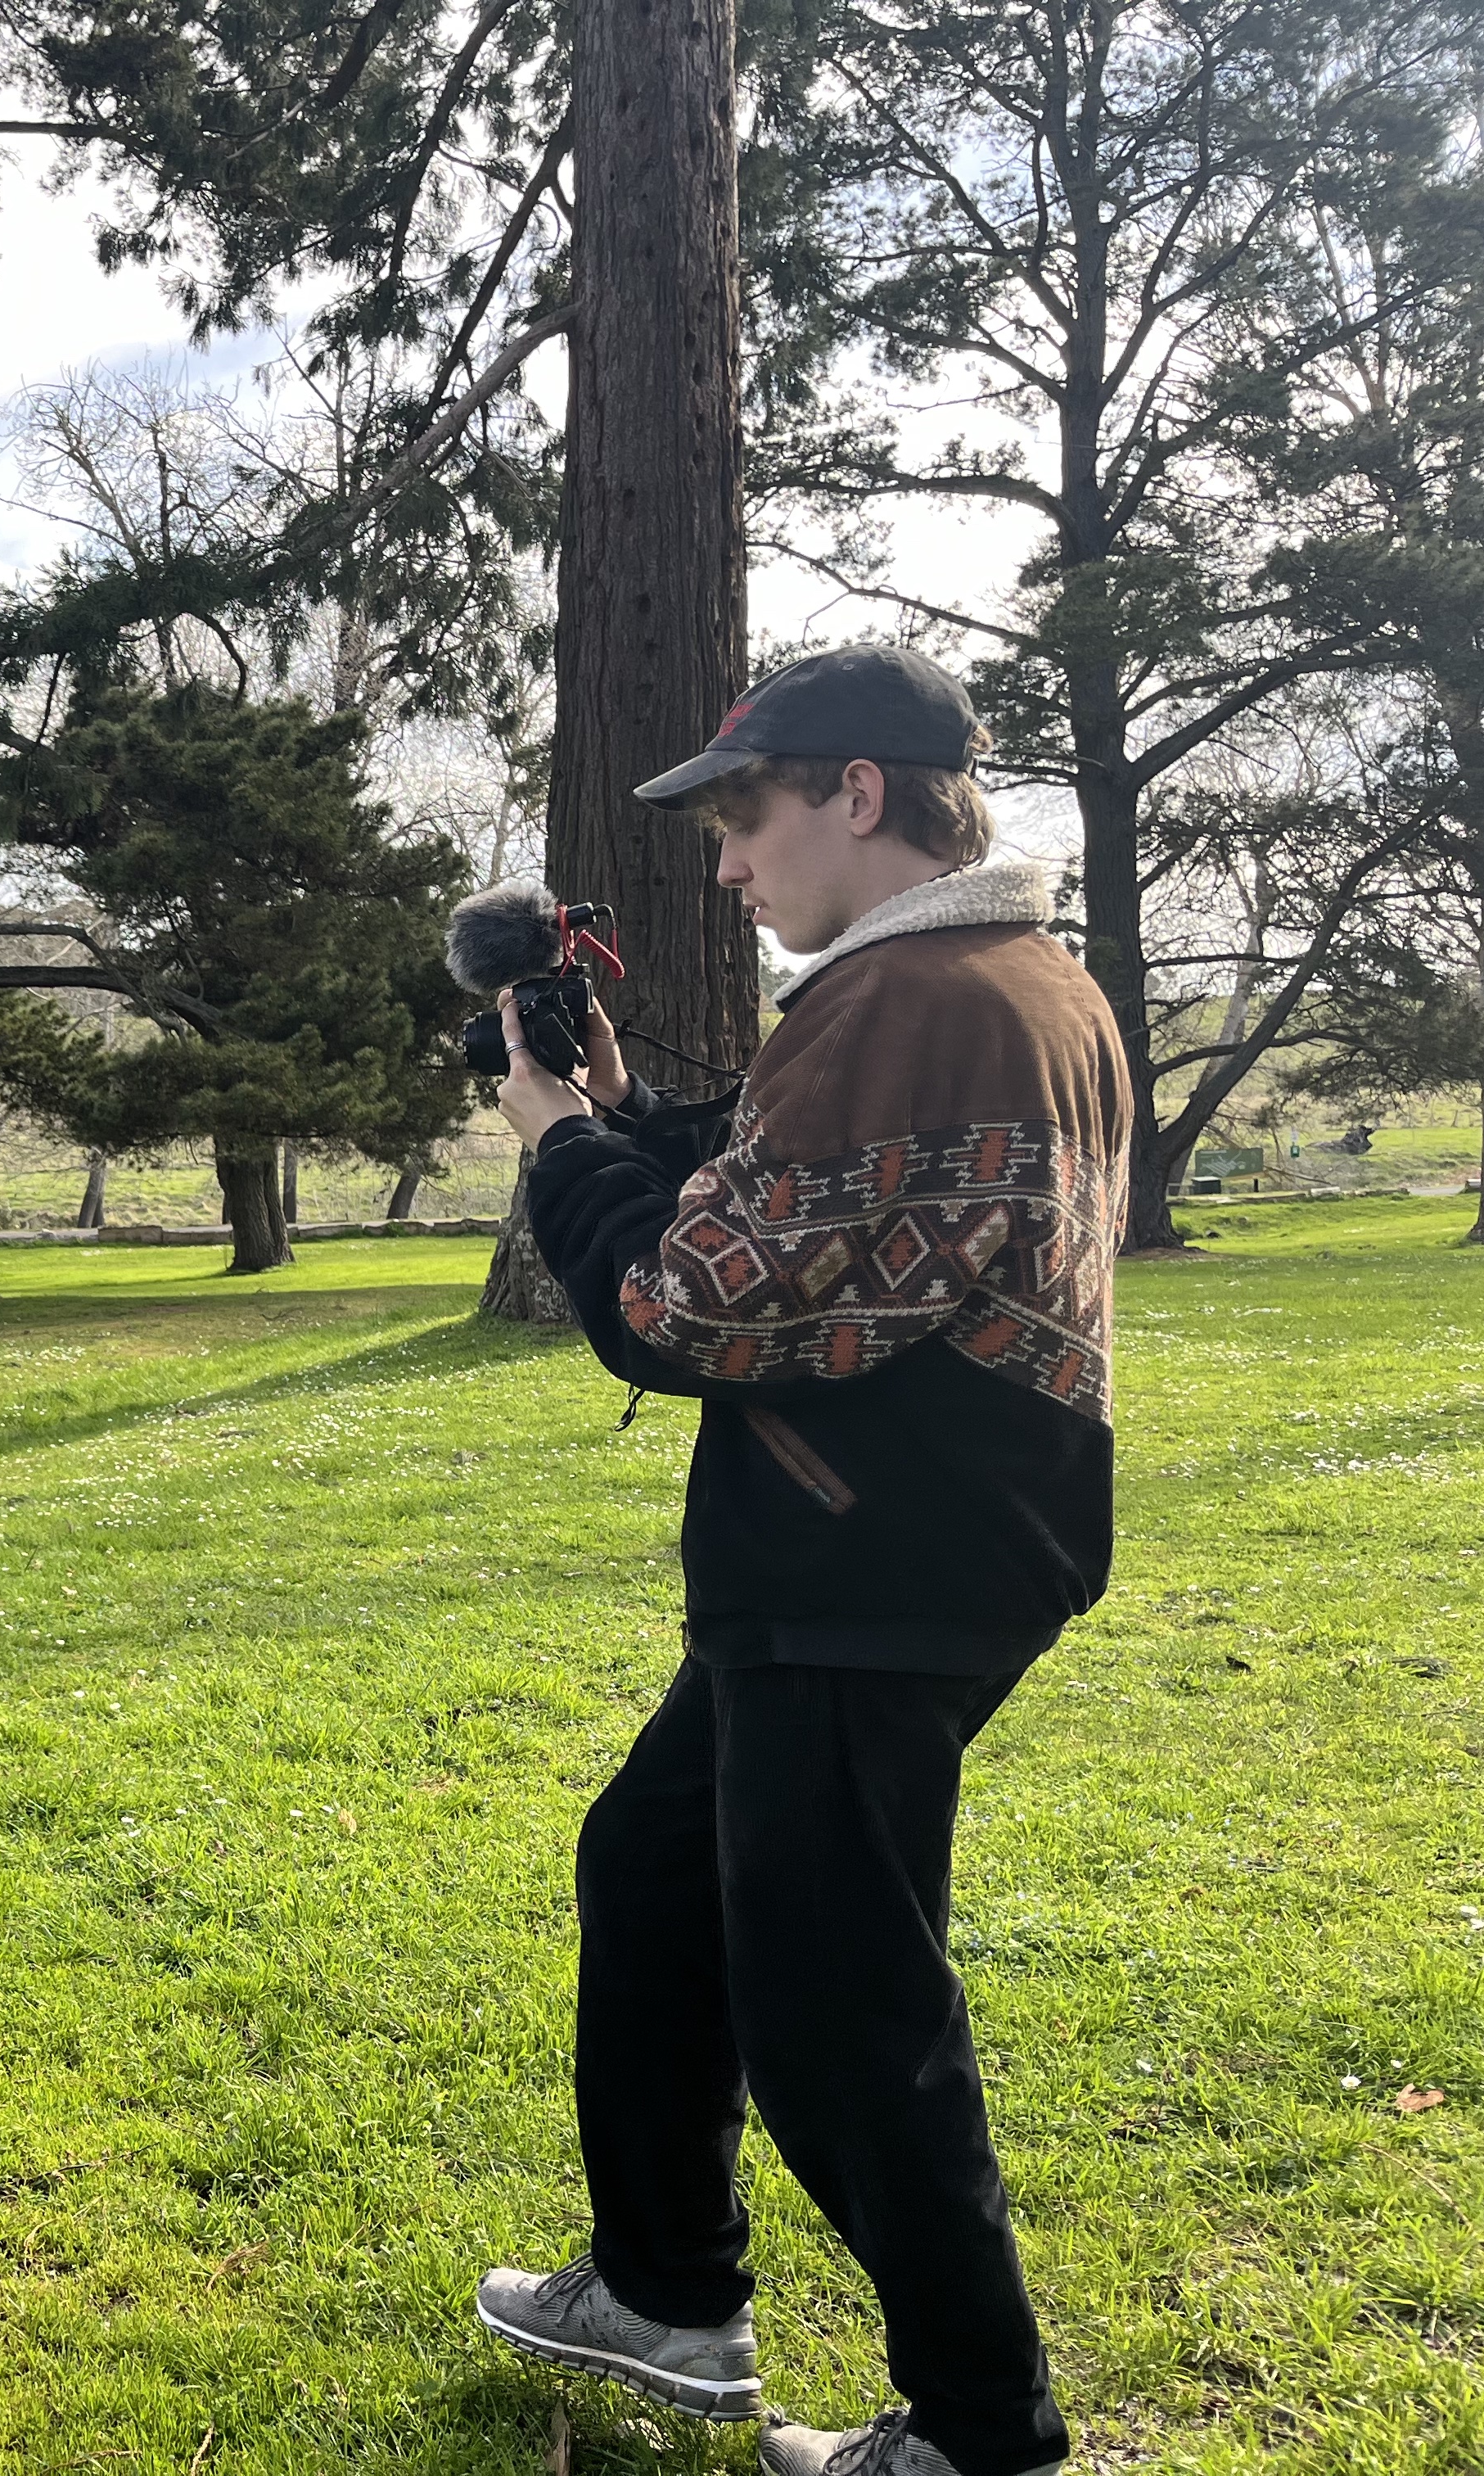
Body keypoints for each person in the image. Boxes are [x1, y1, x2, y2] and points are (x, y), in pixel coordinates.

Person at [467, 648, 1130, 2476]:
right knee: (659, 1869)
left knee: (843, 2007)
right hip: (889, 1536)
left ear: (858, 793)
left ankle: (985, 2434)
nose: (726, 865)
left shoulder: (918, 998)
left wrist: (560, 1145)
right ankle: (672, 2289)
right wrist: (621, 1113)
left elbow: (687, 1308)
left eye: (745, 817)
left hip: (876, 1554)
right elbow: (816, 1203)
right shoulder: (996, 980)